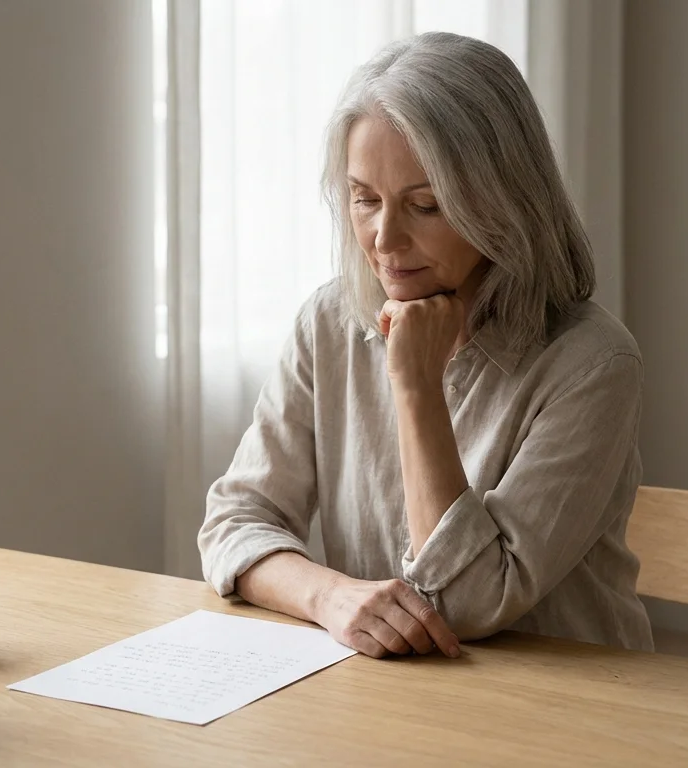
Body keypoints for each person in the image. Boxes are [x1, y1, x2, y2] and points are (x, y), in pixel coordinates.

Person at [198, 31, 652, 659]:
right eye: (364, 200)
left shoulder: (593, 364)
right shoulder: (329, 323)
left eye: (426, 205)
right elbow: (233, 523)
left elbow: (467, 604)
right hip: (387, 700)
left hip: (567, 711)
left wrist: (415, 386)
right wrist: (330, 596)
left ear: (503, 200)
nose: (384, 238)